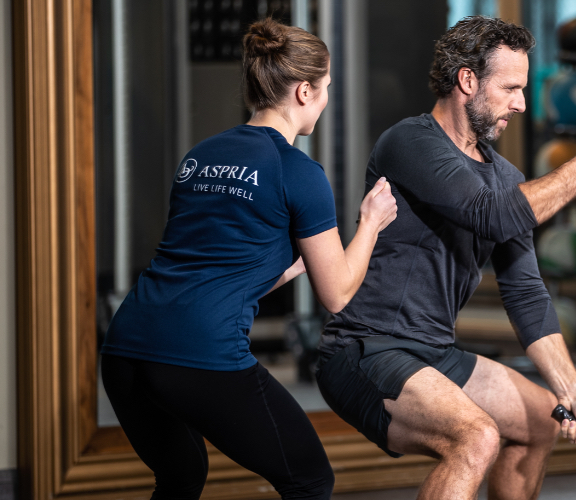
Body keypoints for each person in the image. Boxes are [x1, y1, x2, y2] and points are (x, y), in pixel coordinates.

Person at [315, 16, 576, 500]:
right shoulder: (409, 143)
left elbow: (526, 293)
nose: (521, 103)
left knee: (540, 421)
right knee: (476, 437)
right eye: (510, 88)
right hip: (364, 349)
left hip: (433, 353)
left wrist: (571, 390)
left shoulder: (505, 177)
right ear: (467, 81)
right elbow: (487, 215)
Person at [99, 18, 397, 500]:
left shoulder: (200, 155)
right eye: (324, 91)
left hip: (126, 348)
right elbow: (338, 294)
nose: (324, 102)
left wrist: (283, 271)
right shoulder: (298, 170)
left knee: (180, 478)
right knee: (310, 479)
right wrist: (371, 222)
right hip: (199, 354)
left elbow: (201, 271)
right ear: (303, 91)